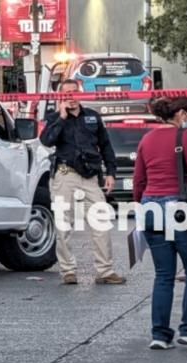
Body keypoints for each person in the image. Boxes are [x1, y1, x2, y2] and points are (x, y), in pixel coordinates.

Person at [133, 97, 187, 350]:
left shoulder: (147, 139)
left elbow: (139, 181)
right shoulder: (183, 137)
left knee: (163, 275)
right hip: (178, 209)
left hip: (151, 206)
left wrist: (143, 206)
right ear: (180, 113)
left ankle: (159, 335)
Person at [39, 79, 126, 286]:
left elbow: (105, 145)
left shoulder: (92, 117)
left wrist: (111, 172)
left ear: (80, 93)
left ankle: (105, 270)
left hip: (90, 176)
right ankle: (68, 270)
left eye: (74, 91)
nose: (71, 96)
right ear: (61, 96)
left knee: (101, 221)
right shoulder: (54, 118)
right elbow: (46, 140)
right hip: (65, 174)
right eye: (67, 93)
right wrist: (61, 117)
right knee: (63, 225)